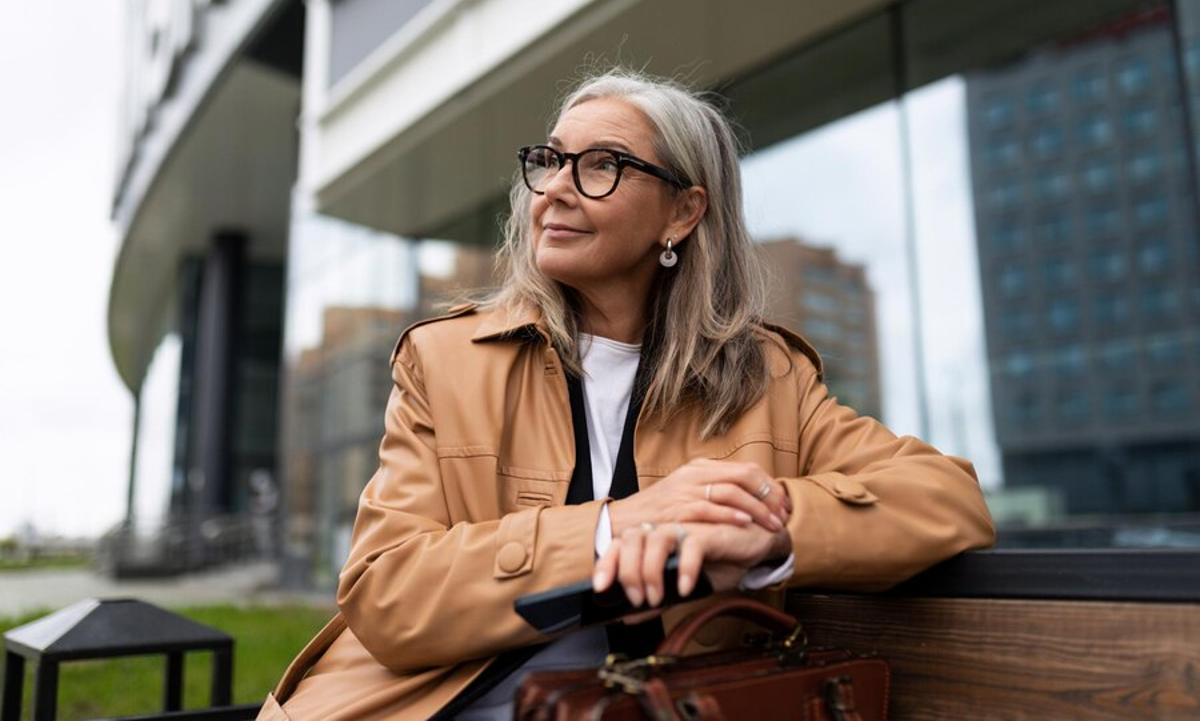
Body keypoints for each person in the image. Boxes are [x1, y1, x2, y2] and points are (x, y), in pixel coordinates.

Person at [260, 69, 995, 720]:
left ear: (683, 212)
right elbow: (388, 595)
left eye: (601, 165)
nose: (552, 190)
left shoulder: (767, 375)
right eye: (548, 161)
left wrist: (772, 531)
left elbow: (948, 500)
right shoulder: (446, 359)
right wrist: (615, 531)